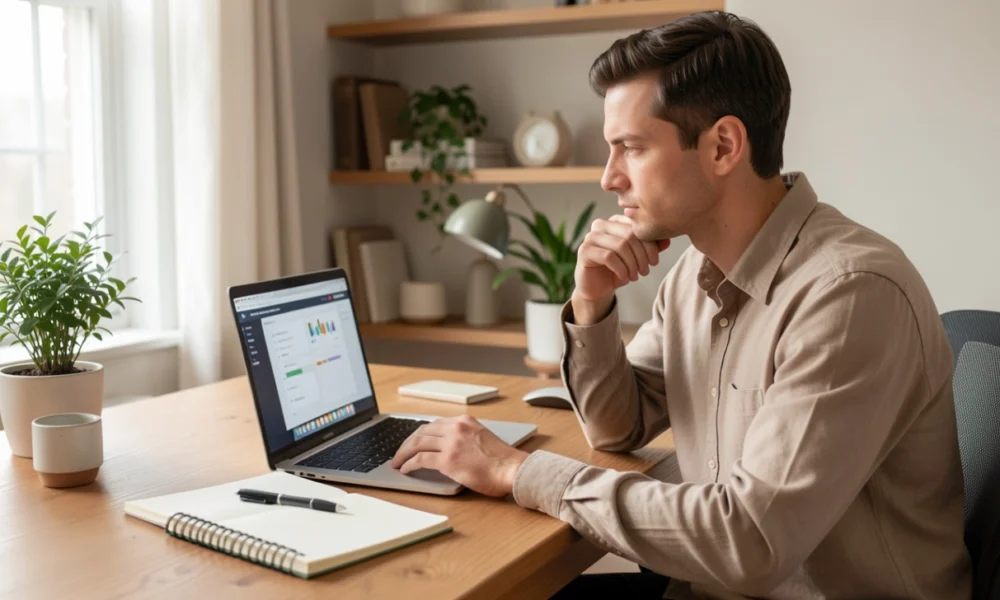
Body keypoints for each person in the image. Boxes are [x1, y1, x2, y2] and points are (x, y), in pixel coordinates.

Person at [391, 10, 972, 599]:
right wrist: (591, 300)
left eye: (631, 148)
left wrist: (516, 470)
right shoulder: (696, 273)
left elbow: (749, 543)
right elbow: (618, 427)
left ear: (723, 146)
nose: (609, 178)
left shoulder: (849, 295)